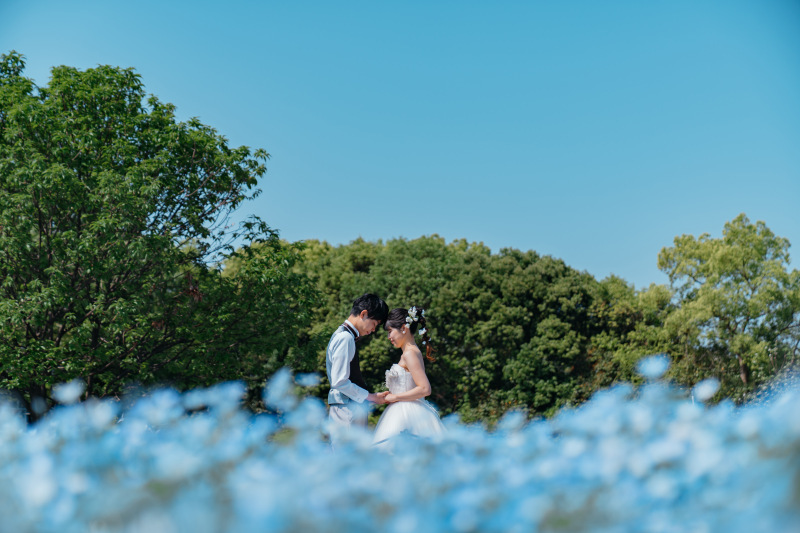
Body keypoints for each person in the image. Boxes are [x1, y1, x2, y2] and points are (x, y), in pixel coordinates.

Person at [373, 306, 445, 448]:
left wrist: (395, 397)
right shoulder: (410, 352)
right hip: (403, 410)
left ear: (404, 328)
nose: (389, 337)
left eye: (390, 331)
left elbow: (425, 389)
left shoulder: (410, 353)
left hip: (407, 413)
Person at [326, 293, 390, 441]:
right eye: (374, 324)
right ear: (363, 314)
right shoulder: (345, 338)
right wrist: (371, 397)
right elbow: (340, 381)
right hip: (347, 409)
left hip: (346, 406)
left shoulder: (342, 335)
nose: (373, 330)